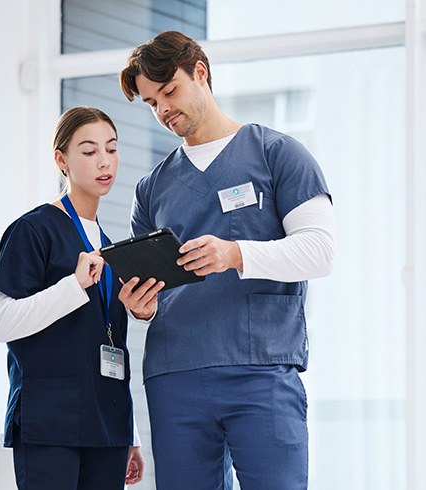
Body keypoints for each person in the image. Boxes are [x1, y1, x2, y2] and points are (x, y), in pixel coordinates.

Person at [118, 31, 336, 490]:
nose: (163, 110)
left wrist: (236, 254)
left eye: (169, 91)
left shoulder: (277, 155)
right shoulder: (151, 189)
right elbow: (153, 288)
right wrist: (142, 306)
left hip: (260, 370)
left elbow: (320, 250)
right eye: (152, 102)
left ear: (201, 73)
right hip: (174, 376)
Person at [0, 106, 151, 490]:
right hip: (50, 424)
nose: (104, 161)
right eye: (89, 150)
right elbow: (3, 323)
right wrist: (73, 286)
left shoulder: (110, 248)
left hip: (107, 425)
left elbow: (110, 343)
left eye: (111, 149)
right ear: (61, 159)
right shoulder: (33, 230)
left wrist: (130, 434)